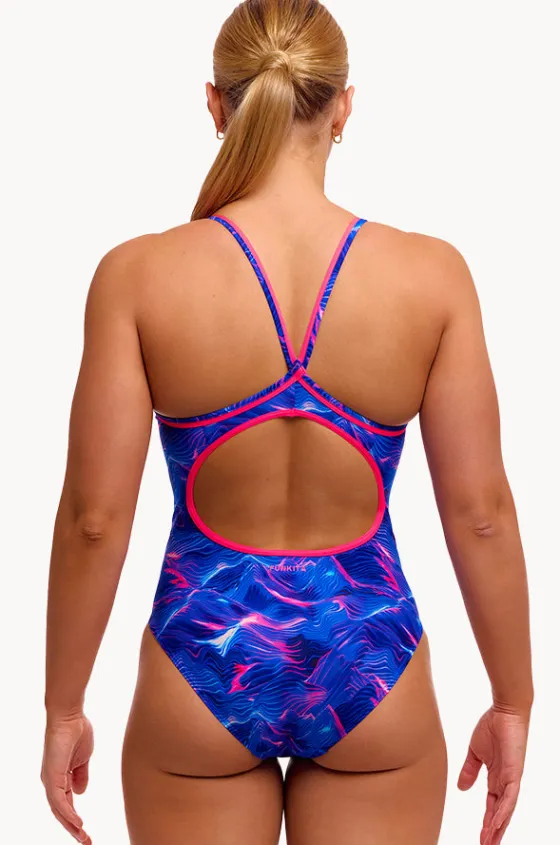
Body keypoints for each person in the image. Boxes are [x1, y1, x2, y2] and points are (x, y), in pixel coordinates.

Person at [41, 1, 533, 843]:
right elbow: (480, 513)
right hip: (368, 651)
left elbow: (94, 519)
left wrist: (63, 706)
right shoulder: (431, 277)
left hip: (202, 651)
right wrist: (512, 699)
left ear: (215, 105)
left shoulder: (138, 277)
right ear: (343, 106)